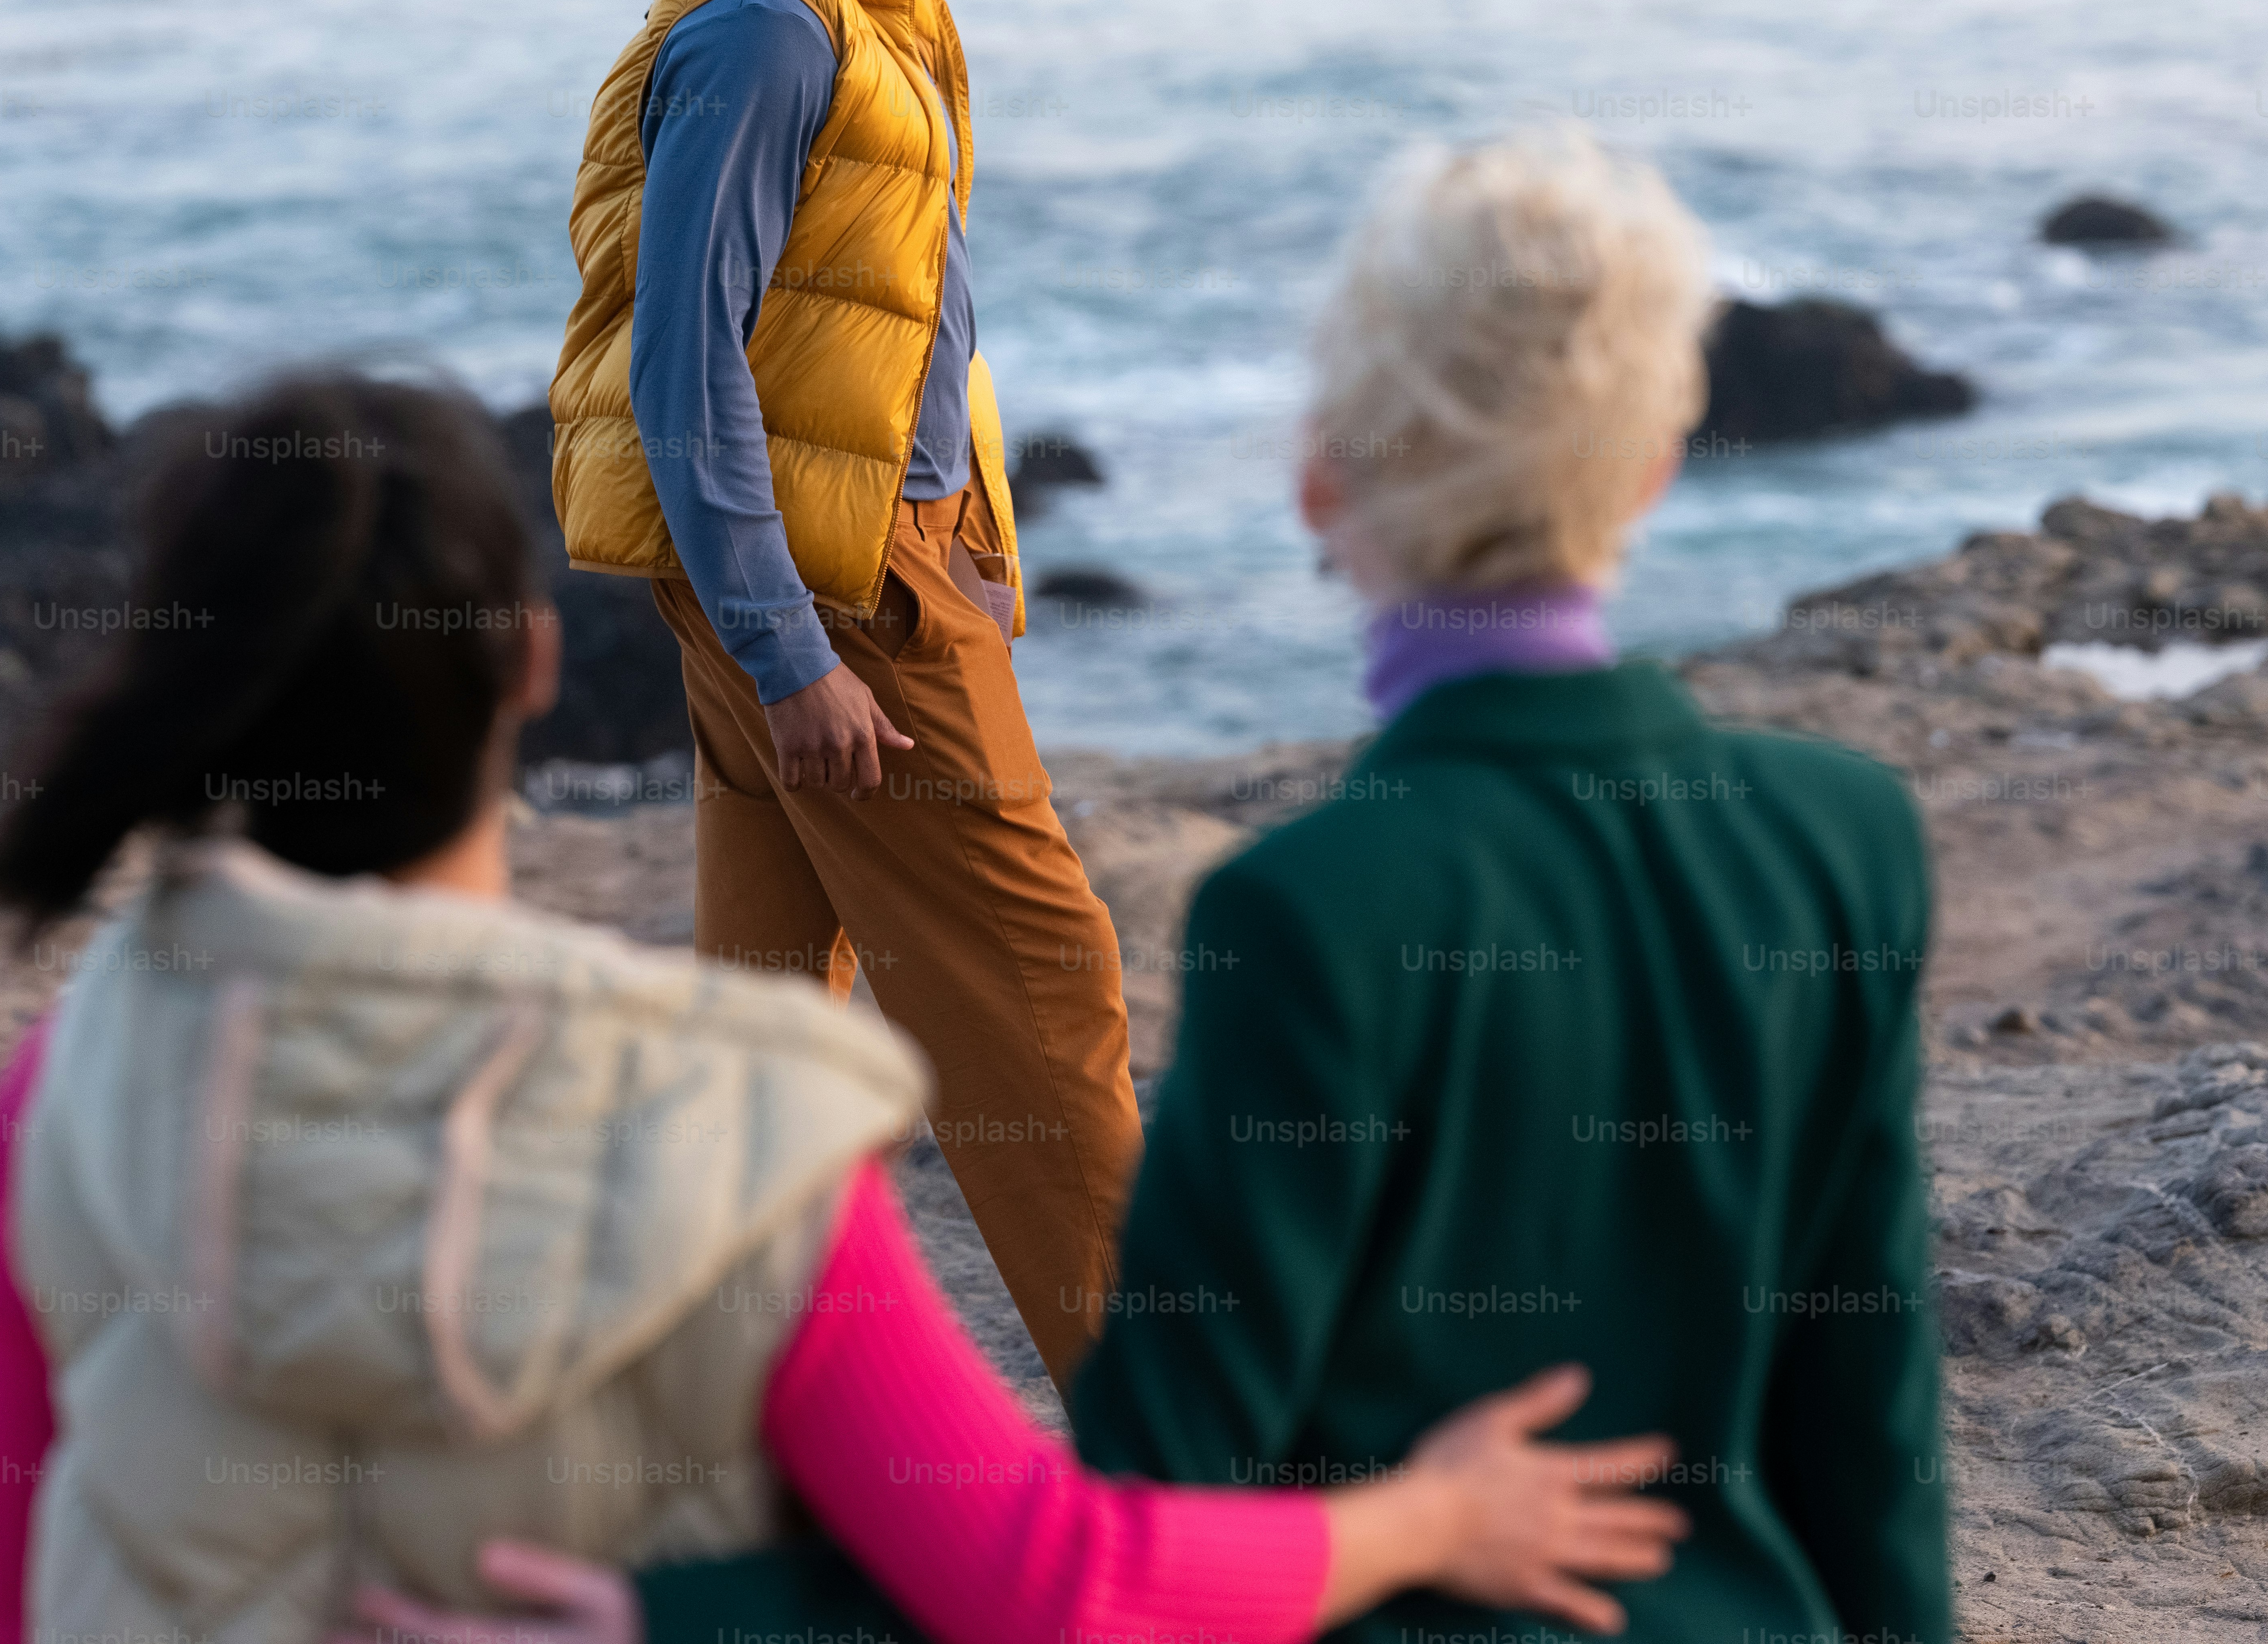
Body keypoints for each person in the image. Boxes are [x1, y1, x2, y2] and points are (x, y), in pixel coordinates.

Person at [0, 370, 1695, 1644]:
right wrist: (1425, 1517)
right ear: (535, 668)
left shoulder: (70, 1081)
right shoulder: (727, 1112)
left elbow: (1, 1594)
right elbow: (1047, 1590)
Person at [520, 130, 1952, 1642]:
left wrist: (667, 1616)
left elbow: (1144, 1521)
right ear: (1655, 465)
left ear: (1320, 482)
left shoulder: (1311, 907)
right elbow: (1873, 1423)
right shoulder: (1842, 840)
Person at [545, 0, 1137, 1382]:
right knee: (1043, 1011)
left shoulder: (860, 10)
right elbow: (683, 363)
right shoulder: (768, 28)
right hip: (837, 595)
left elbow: (892, 318)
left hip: (850, 564)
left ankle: (714, 1454)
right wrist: (792, 648)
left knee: (761, 1025)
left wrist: (977, 541)